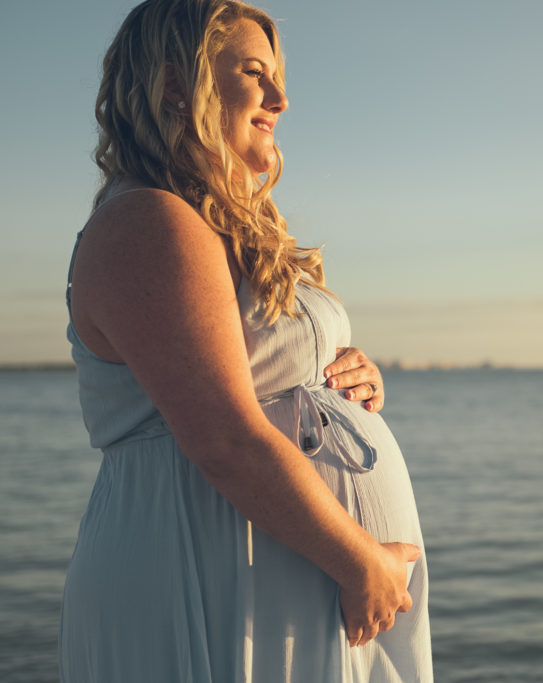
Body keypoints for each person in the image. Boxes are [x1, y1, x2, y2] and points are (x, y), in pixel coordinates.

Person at [59, 1, 432, 680]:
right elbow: (224, 438)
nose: (281, 99)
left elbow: (247, 371)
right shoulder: (148, 222)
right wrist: (359, 559)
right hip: (207, 566)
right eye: (255, 74)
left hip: (266, 565)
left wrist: (338, 380)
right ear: (178, 84)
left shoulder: (209, 226)